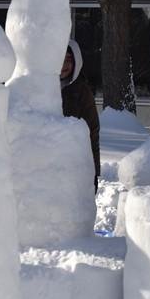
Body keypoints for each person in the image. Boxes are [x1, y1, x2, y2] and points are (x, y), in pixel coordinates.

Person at [60, 39, 100, 189]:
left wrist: (94, 172)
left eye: (69, 60)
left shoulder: (82, 92)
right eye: (60, 59)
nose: (64, 65)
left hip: (73, 165)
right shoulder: (38, 89)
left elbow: (92, 132)